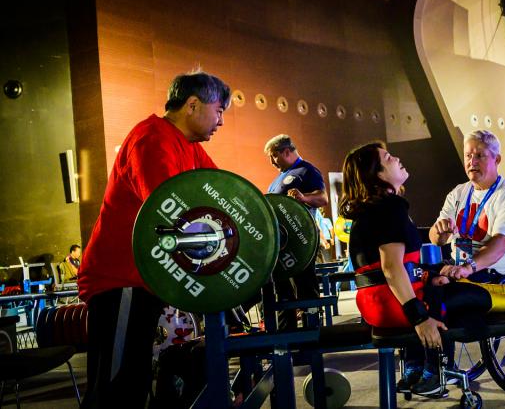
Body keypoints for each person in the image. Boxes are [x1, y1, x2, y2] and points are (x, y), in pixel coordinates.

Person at [341, 141, 505, 396]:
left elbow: (383, 269)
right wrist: (419, 318)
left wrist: (432, 275)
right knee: (470, 295)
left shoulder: (365, 213)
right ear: (378, 175)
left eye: (479, 155)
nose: (397, 159)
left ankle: (416, 368)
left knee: (453, 284)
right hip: (395, 304)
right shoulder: (391, 207)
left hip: (374, 307)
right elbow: (391, 268)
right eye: (388, 158)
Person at [78, 70, 230, 408]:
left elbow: (224, 192)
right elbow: (167, 210)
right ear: (193, 104)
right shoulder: (152, 138)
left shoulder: (189, 147)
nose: (221, 121)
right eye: (219, 110)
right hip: (119, 281)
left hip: (143, 280)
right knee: (116, 389)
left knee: (135, 383)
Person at [429, 130, 505, 283]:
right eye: (468, 156)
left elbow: (500, 245)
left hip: (494, 272)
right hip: (459, 266)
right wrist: (440, 233)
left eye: (479, 155)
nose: (472, 162)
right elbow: (435, 239)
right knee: (415, 275)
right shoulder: (458, 192)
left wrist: (467, 268)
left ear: (496, 159)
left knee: (443, 290)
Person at [264, 134, 327, 329]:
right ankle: (287, 342)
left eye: (273, 156)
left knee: (305, 289)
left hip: (302, 242)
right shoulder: (277, 180)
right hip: (281, 245)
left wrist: (304, 197)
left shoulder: (307, 170)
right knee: (282, 294)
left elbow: (323, 198)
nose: (272, 162)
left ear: (286, 151)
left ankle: (312, 338)